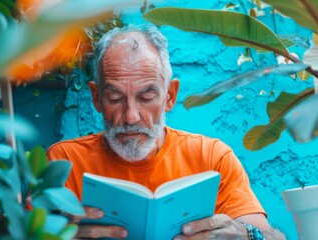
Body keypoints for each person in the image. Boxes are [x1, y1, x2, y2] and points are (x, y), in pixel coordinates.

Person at [47, 25, 285, 239]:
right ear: (96, 98)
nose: (131, 116)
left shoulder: (212, 157)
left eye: (146, 97)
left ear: (169, 96)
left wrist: (247, 234)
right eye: (115, 98)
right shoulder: (64, 162)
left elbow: (271, 236)